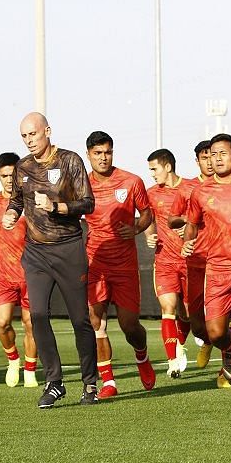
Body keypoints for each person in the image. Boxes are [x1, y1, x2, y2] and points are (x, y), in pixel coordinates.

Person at [3, 112, 98, 408]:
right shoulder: (23, 167)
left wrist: (57, 206)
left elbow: (88, 202)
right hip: (36, 253)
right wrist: (11, 212)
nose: (29, 140)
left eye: (33, 134)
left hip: (68, 248)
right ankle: (54, 382)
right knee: (37, 315)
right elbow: (17, 199)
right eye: (24, 136)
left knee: (80, 319)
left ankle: (90, 384)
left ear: (47, 131)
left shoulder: (70, 161)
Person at [183, 133, 231, 395]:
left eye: (223, 153)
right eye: (213, 154)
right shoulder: (200, 191)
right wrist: (187, 241)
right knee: (215, 332)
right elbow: (192, 224)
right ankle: (229, 350)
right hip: (216, 269)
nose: (217, 159)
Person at [84, 131, 155, 398]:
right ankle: (109, 382)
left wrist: (137, 227)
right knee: (96, 321)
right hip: (95, 263)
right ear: (89, 154)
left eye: (108, 152)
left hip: (125, 266)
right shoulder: (81, 184)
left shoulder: (131, 181)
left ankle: (141, 355)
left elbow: (147, 213)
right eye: (98, 153)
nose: (104, 158)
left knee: (130, 326)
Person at [0, 152, 38, 387]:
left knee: (31, 324)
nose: (8, 179)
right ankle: (13, 360)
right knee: (2, 322)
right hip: (4, 275)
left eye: (12, 175)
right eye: (4, 175)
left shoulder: (31, 201)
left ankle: (31, 371)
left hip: (31, 274)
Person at [168, 140, 222, 369]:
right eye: (204, 157)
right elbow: (172, 219)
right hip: (196, 260)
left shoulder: (227, 185)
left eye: (212, 156)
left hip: (223, 260)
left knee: (227, 317)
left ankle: (229, 364)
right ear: (197, 161)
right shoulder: (188, 188)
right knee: (197, 323)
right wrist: (187, 222)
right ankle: (207, 342)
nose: (209, 162)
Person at [145, 148, 192, 378]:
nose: (152, 174)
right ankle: (172, 359)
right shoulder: (151, 193)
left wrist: (192, 230)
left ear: (168, 167)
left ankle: (180, 343)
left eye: (154, 169)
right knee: (168, 307)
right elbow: (148, 219)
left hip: (190, 261)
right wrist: (149, 235)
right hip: (164, 260)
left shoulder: (191, 188)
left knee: (188, 314)